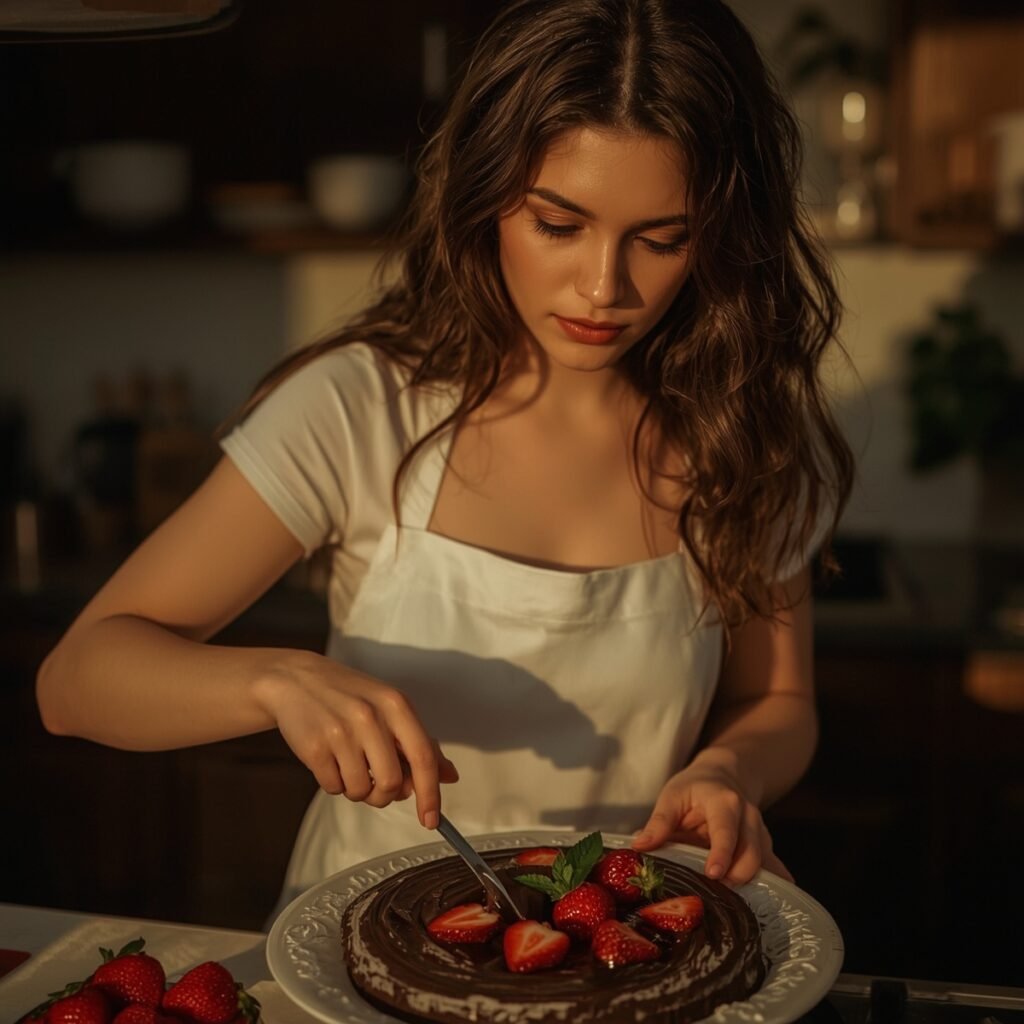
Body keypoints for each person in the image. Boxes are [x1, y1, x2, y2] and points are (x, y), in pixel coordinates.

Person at [37, 0, 854, 915]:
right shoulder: (360, 410)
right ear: (486, 194)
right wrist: (274, 679)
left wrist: (729, 772)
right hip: (357, 955)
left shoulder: (742, 435)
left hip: (617, 949)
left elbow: (777, 702)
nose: (603, 286)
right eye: (557, 224)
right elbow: (76, 682)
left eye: (662, 240)